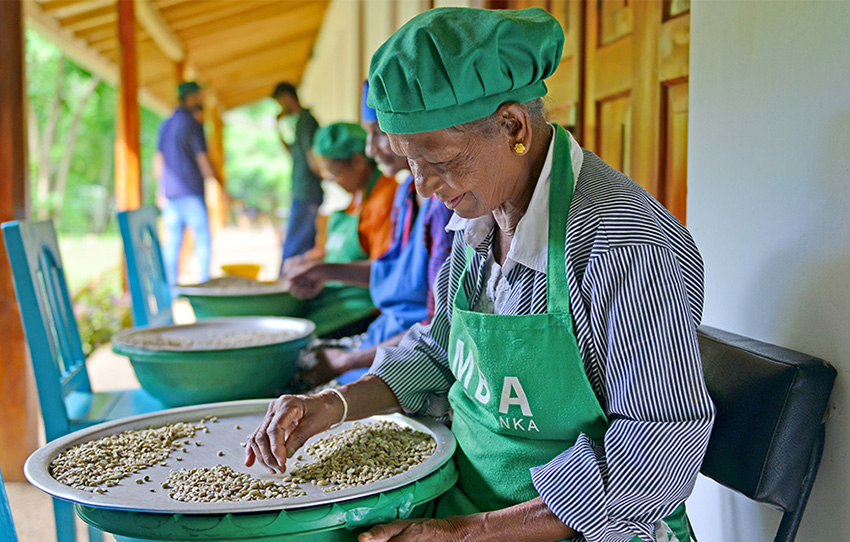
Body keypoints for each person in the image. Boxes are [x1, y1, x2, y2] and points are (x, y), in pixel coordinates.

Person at [247, 8, 714, 542]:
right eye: (410, 162)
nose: (422, 187)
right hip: (468, 496)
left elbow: (657, 456)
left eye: (441, 161)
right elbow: (439, 351)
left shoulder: (626, 245)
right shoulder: (480, 216)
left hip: (576, 526)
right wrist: (334, 403)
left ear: (512, 125)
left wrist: (464, 534)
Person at [301, 82, 454, 387]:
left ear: (409, 132)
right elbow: (392, 272)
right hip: (383, 336)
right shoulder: (404, 195)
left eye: (378, 134)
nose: (370, 150)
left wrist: (348, 360)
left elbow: (439, 327)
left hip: (411, 357)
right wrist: (322, 269)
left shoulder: (444, 206)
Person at [284, 122, 397, 338]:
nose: (331, 179)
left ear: (357, 162)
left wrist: (325, 270)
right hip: (333, 298)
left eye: (334, 171)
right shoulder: (355, 201)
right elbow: (336, 252)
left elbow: (387, 270)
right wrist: (307, 260)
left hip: (362, 311)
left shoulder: (385, 202)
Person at [154, 81, 223, 286]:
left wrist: (160, 189)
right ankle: (205, 284)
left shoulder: (165, 125)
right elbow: (203, 160)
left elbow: (158, 159)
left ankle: (171, 289)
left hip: (171, 195)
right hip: (191, 192)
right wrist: (220, 186)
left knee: (172, 244)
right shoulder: (193, 124)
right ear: (191, 97)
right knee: (203, 240)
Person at [272, 82, 325, 274]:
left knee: (294, 245)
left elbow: (312, 156)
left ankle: (284, 283)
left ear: (287, 97)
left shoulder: (306, 122)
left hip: (307, 190)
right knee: (302, 243)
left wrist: (327, 175)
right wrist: (277, 126)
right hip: (303, 189)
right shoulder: (301, 122)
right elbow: (295, 153)